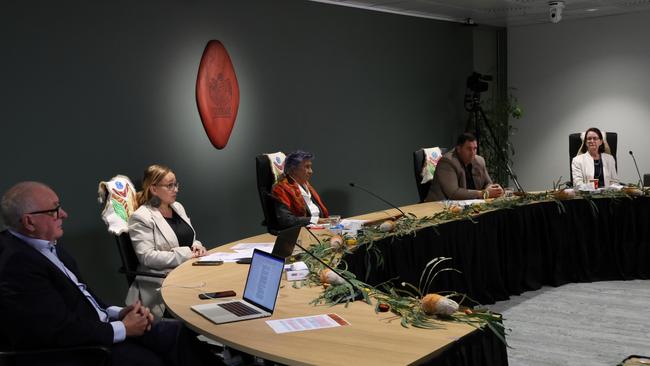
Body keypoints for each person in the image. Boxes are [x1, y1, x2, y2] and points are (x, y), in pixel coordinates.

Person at [0, 182, 210, 366]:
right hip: (83, 349)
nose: (64, 214)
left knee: (179, 334)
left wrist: (119, 313)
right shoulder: (15, 265)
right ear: (29, 222)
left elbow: (83, 297)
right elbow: (56, 330)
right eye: (54, 210)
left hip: (99, 328)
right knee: (153, 358)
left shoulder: (48, 245)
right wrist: (123, 328)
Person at [127, 165, 207, 317]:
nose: (176, 189)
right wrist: (187, 252)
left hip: (189, 272)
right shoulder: (141, 217)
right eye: (170, 185)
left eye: (176, 184)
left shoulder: (177, 207)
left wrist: (197, 246)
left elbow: (190, 238)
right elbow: (147, 257)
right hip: (162, 283)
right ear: (154, 189)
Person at [425, 133, 504, 201]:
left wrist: (495, 189)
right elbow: (453, 193)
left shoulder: (479, 161)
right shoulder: (447, 162)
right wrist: (483, 193)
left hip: (469, 206)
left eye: (475, 148)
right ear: (459, 149)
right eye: (469, 149)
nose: (473, 153)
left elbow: (488, 183)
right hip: (439, 208)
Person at [271, 150, 329, 230]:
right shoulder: (281, 189)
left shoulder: (307, 186)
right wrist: (315, 220)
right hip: (302, 231)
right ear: (294, 169)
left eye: (310, 167)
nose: (311, 171)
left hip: (319, 227)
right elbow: (286, 220)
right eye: (307, 167)